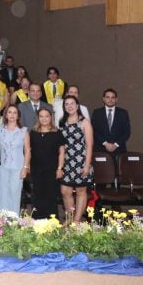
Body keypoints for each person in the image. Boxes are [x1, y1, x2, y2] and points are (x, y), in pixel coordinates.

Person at [59, 95, 94, 223]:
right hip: (66, 161)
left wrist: (86, 165)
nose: (69, 106)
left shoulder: (84, 122)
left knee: (80, 191)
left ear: (77, 106)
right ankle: (70, 217)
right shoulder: (62, 122)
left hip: (81, 161)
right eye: (66, 104)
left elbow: (89, 145)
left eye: (72, 103)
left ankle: (77, 221)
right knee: (65, 191)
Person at [30, 108, 66, 219]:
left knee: (50, 196)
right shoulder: (33, 132)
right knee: (37, 196)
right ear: (38, 118)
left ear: (51, 118)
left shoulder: (57, 132)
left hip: (52, 170)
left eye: (47, 116)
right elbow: (29, 151)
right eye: (41, 116)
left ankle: (52, 223)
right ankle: (37, 222)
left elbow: (62, 152)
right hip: (36, 170)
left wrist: (60, 168)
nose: (44, 119)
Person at [0, 104, 30, 215]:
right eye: (9, 112)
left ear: (18, 116)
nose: (12, 115)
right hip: (3, 167)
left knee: (15, 194)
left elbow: (28, 151)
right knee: (3, 193)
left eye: (15, 112)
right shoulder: (0, 130)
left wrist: (25, 167)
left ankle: (14, 222)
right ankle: (3, 220)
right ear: (5, 115)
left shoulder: (23, 131)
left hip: (18, 167)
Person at [90, 88, 130, 160]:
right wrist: (105, 143)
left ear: (116, 99)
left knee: (119, 171)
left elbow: (127, 132)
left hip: (119, 151)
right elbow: (93, 131)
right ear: (103, 99)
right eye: (107, 97)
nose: (110, 100)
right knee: (101, 171)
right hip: (100, 150)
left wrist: (115, 145)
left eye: (113, 97)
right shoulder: (97, 113)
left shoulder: (123, 113)